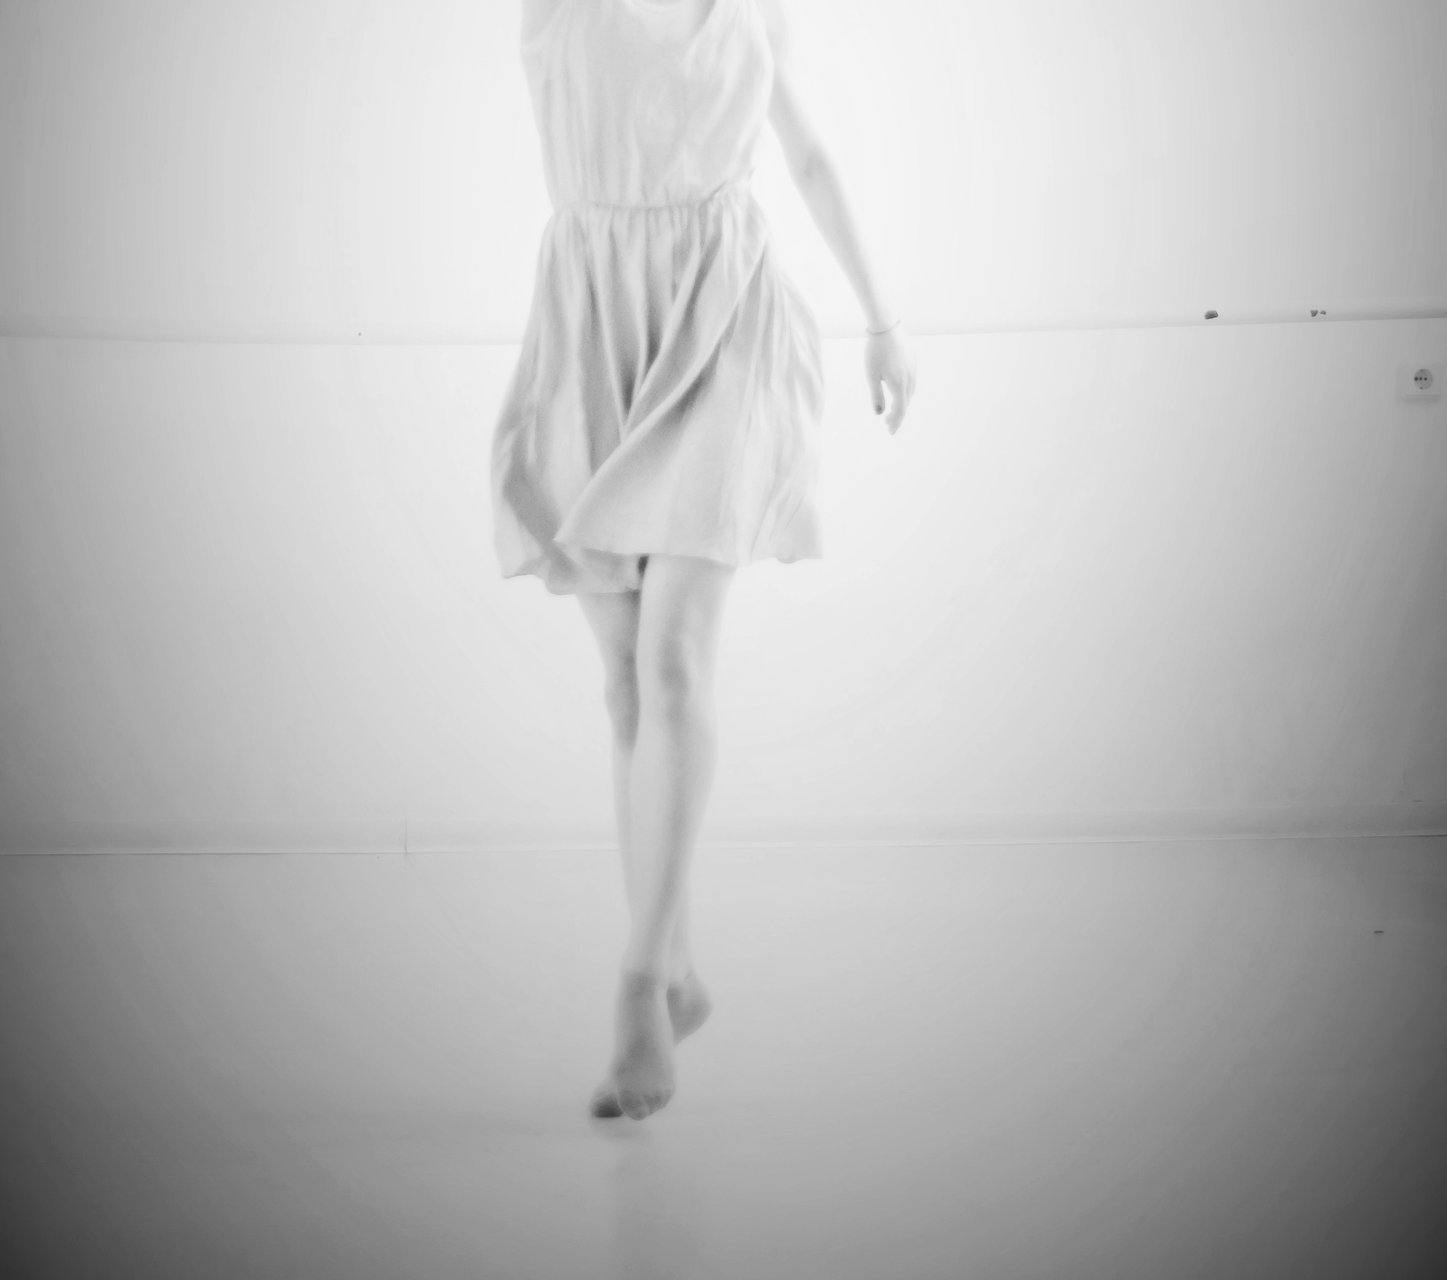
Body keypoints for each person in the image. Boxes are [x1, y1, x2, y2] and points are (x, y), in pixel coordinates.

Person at [492, 0, 916, 1121]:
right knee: (625, 678)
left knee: (673, 656)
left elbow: (808, 153)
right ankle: (672, 963)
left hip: (724, 313)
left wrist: (881, 317)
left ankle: (638, 985)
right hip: (594, 321)